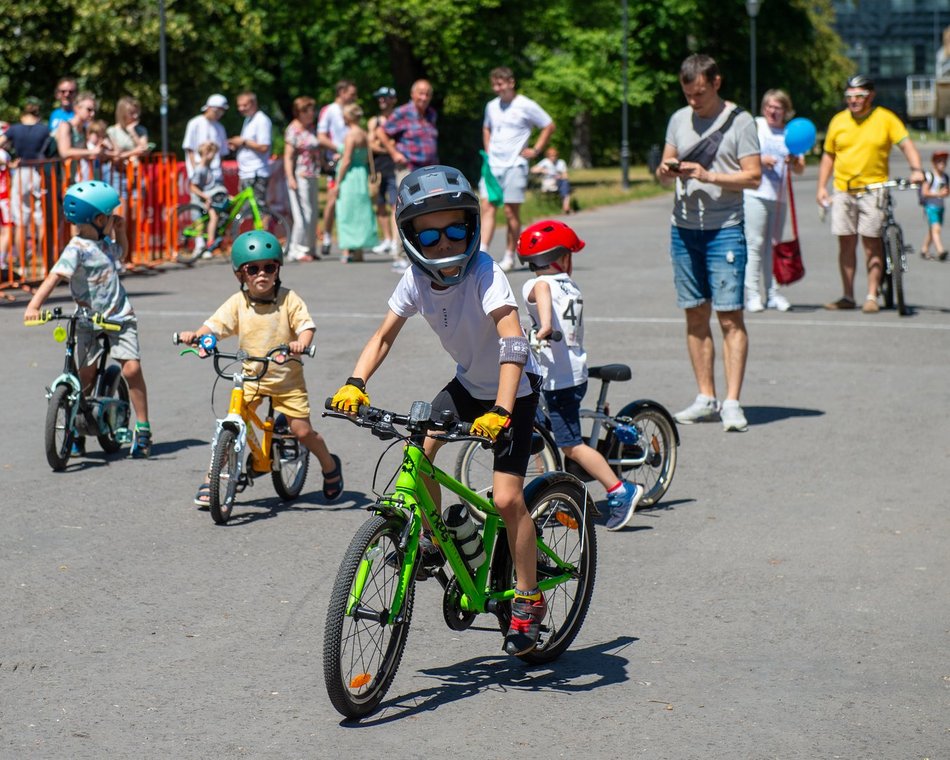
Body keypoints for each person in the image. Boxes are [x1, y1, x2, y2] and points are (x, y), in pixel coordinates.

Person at [329, 165, 548, 656]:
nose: (444, 243)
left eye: (454, 230)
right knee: (419, 451)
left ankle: (529, 599)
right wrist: (355, 383)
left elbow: (512, 342)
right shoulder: (415, 280)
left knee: (509, 499)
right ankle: (431, 540)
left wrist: (503, 411)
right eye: (429, 234)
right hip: (470, 383)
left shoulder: (485, 271)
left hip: (516, 389)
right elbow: (384, 336)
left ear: (471, 228)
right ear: (410, 238)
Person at [176, 230, 343, 507]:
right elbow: (215, 326)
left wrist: (301, 343)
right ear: (241, 275)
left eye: (269, 267)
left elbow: (305, 326)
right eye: (253, 269)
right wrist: (198, 336)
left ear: (278, 269)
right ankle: (212, 478)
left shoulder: (289, 299)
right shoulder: (238, 303)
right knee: (232, 420)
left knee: (302, 431)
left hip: (287, 380)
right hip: (252, 377)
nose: (261, 274)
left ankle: (329, 465)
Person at [656, 53, 761, 433]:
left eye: (699, 93)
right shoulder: (678, 120)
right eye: (687, 94)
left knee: (730, 316)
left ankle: (732, 401)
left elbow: (753, 177)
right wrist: (667, 170)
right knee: (695, 313)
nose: (693, 102)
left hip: (725, 229)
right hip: (684, 229)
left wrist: (707, 175)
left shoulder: (742, 121)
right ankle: (706, 396)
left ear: (716, 82)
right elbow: (663, 174)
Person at [517, 220, 644, 530]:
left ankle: (620, 490)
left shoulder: (539, 283)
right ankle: (546, 494)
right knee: (539, 432)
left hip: (559, 379)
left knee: (569, 443)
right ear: (562, 258)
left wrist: (544, 325)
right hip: (569, 374)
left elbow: (542, 291)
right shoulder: (571, 286)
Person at [23, 180, 153, 458]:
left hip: (120, 317)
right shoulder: (77, 248)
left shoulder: (105, 243)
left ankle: (142, 428)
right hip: (87, 321)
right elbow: (54, 276)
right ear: (98, 219)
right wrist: (34, 305)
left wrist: (121, 233)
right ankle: (76, 428)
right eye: (111, 216)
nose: (115, 219)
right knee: (85, 376)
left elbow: (122, 254)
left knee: (131, 370)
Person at [816, 75, 925, 314]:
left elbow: (906, 144)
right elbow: (828, 155)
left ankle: (871, 295)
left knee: (870, 242)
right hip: (844, 189)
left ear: (870, 96)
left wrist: (916, 170)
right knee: (845, 242)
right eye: (849, 97)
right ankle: (847, 295)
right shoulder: (839, 121)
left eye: (859, 96)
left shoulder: (885, 118)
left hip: (874, 189)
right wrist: (822, 186)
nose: (853, 101)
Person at [479, 66, 556, 272]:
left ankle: (509, 256)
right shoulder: (491, 106)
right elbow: (487, 127)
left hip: (515, 164)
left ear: (511, 83)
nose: (498, 88)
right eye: (494, 85)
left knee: (511, 212)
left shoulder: (525, 105)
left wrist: (537, 149)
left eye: (501, 84)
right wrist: (488, 149)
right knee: (487, 207)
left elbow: (549, 125)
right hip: (493, 165)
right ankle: (482, 253)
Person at [742, 89, 806, 312]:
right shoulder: (756, 126)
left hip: (778, 198)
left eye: (777, 107)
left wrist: (795, 160)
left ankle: (773, 293)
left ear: (785, 111)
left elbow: (799, 169)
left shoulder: (791, 132)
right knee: (755, 243)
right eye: (769, 106)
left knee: (773, 246)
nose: (772, 111)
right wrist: (759, 160)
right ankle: (752, 294)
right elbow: (740, 154)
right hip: (755, 194)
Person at [317, 80, 358, 258]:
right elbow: (321, 136)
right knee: (333, 200)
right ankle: (326, 235)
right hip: (336, 161)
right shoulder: (329, 110)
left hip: (351, 161)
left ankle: (350, 241)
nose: (354, 97)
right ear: (341, 92)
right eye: (351, 93)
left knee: (350, 202)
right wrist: (338, 148)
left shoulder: (353, 111)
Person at [334, 104, 378, 263]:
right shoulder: (364, 134)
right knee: (360, 212)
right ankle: (358, 251)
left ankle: (347, 250)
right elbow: (366, 157)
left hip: (350, 177)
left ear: (348, 117)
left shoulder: (350, 135)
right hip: (361, 175)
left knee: (346, 212)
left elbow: (346, 160)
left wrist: (338, 182)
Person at [283, 96, 321, 262]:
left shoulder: (310, 128)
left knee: (312, 214)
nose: (312, 113)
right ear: (300, 112)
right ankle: (296, 249)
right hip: (299, 175)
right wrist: (290, 177)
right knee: (302, 214)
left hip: (313, 174)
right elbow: (288, 156)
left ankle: (310, 248)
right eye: (309, 110)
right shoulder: (293, 130)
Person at [105, 96, 150, 221]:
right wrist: (134, 152)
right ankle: (117, 241)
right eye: (131, 113)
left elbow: (145, 150)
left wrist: (133, 133)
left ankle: (133, 241)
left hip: (136, 174)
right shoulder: (112, 131)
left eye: (137, 112)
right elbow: (115, 156)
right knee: (119, 217)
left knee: (136, 218)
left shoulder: (141, 130)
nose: (135, 116)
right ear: (122, 113)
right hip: (118, 175)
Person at [367, 86, 399, 256]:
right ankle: (387, 238)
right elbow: (371, 143)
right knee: (380, 204)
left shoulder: (398, 117)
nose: (381, 101)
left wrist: (382, 143)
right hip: (379, 168)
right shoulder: (375, 121)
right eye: (379, 98)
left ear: (392, 99)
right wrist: (389, 146)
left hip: (395, 167)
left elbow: (398, 142)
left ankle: (395, 240)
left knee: (395, 204)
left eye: (384, 98)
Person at [228, 91, 272, 211]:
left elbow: (264, 147)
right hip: (246, 171)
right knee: (246, 211)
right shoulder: (248, 120)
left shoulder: (261, 120)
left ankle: (263, 230)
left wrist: (243, 142)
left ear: (254, 103)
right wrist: (237, 145)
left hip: (256, 172)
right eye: (239, 106)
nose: (241, 109)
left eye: (245, 105)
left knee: (259, 210)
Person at [187, 141, 228, 257]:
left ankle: (210, 242)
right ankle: (209, 243)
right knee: (213, 217)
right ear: (205, 154)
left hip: (207, 197)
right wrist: (206, 197)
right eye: (211, 153)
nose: (214, 156)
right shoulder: (200, 169)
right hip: (200, 199)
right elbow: (193, 186)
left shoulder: (208, 168)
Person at [182, 94, 230, 183]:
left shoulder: (220, 127)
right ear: (208, 108)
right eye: (217, 111)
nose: (219, 114)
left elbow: (222, 153)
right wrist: (196, 172)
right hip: (198, 174)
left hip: (216, 176)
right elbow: (190, 149)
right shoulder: (194, 123)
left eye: (221, 112)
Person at [54, 92, 102, 179]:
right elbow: (64, 152)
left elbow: (84, 154)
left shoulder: (83, 129)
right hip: (62, 179)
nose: (92, 114)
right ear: (77, 108)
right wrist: (93, 151)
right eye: (89, 110)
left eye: (94, 110)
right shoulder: (65, 125)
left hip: (76, 178)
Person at [919, 150, 949, 261]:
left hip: (940, 207)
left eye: (944, 162)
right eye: (939, 161)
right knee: (936, 229)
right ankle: (940, 250)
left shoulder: (945, 177)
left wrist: (946, 193)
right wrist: (938, 193)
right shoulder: (929, 176)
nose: (942, 164)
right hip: (930, 206)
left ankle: (924, 249)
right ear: (934, 163)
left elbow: (946, 192)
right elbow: (924, 192)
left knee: (933, 230)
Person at [530, 147, 572, 214]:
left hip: (559, 182)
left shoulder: (561, 162)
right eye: (551, 156)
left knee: (565, 182)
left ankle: (566, 206)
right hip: (548, 182)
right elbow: (532, 169)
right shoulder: (545, 162)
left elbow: (565, 176)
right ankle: (566, 206)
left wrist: (559, 176)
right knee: (565, 186)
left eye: (554, 155)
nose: (553, 157)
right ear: (548, 156)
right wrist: (542, 170)